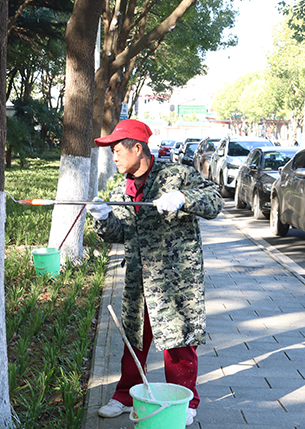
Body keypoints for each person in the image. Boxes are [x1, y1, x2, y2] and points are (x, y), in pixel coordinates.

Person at [86, 119, 224, 426]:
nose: (114, 157)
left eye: (117, 150)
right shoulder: (122, 189)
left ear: (138, 148)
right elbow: (120, 233)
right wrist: (104, 218)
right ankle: (125, 395)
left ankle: (185, 400)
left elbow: (214, 202)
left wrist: (183, 199)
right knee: (134, 337)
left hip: (175, 279)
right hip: (139, 277)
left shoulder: (177, 175)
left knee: (178, 341)